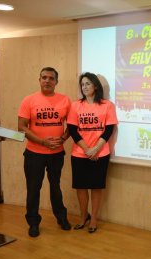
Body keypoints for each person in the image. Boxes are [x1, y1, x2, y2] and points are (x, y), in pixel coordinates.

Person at [18, 67, 72, 237]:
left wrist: (62, 139)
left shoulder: (65, 100)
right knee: (33, 189)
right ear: (39, 80)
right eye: (44, 77)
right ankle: (33, 222)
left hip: (57, 154)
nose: (47, 80)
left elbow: (71, 126)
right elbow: (21, 126)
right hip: (34, 154)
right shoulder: (29, 100)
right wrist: (42, 141)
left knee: (55, 187)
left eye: (51, 78)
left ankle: (61, 217)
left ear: (56, 81)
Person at [67, 72, 118, 233]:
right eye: (82, 84)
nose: (85, 87)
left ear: (95, 86)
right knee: (81, 188)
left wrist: (95, 149)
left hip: (100, 153)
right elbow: (73, 131)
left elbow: (109, 129)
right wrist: (87, 149)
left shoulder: (107, 105)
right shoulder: (75, 105)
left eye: (88, 83)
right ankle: (84, 216)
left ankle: (94, 218)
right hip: (79, 153)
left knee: (96, 187)